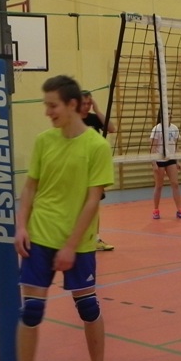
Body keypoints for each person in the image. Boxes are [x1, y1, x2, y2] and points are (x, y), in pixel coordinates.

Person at [9, 75, 116, 361]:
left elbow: (92, 200)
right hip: (39, 236)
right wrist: (20, 226)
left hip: (78, 242)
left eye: (52, 105)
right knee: (31, 311)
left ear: (72, 105)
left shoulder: (96, 146)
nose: (47, 112)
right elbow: (30, 187)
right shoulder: (44, 141)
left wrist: (70, 245)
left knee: (88, 308)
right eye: (46, 105)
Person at [80, 91, 117, 251]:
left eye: (89, 103)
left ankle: (95, 239)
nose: (86, 106)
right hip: (78, 168)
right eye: (84, 103)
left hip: (94, 169)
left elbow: (112, 128)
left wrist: (97, 110)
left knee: (94, 205)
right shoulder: (72, 120)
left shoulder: (94, 119)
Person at [150, 108, 181, 220]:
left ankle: (179, 210)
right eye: (167, 113)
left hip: (171, 159)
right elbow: (152, 147)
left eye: (171, 113)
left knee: (175, 184)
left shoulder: (174, 128)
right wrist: (154, 163)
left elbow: (176, 146)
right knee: (159, 186)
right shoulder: (157, 129)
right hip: (159, 159)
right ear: (162, 115)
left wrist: (177, 160)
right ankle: (156, 210)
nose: (170, 115)